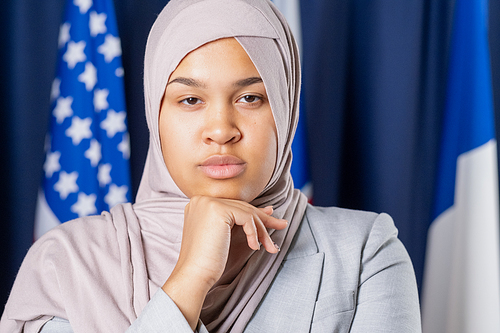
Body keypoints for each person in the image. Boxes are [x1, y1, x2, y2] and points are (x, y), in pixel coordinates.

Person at [0, 0, 422, 332]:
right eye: (190, 100)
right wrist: (189, 280)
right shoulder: (66, 262)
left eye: (250, 98)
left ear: (286, 108)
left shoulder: (366, 252)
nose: (220, 130)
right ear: (155, 115)